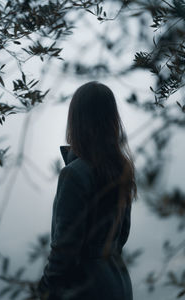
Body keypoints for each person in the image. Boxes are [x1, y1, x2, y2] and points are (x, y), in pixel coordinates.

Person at [36, 81, 138, 300]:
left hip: (85, 290)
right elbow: (122, 236)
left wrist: (42, 292)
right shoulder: (123, 170)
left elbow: (64, 251)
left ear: (76, 120)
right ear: (112, 121)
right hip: (118, 285)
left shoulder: (73, 174)